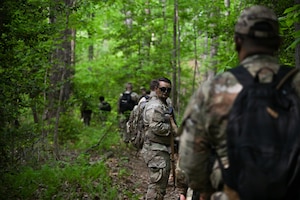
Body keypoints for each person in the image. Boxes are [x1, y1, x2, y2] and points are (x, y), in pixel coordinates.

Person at [177, 5, 300, 200]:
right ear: (278, 43)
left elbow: (190, 160)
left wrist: (206, 190)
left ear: (237, 42)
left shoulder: (214, 90)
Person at [141, 77, 179, 200]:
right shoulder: (154, 106)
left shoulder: (165, 103)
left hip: (162, 149)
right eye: (163, 89)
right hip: (155, 149)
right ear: (156, 89)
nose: (165, 92)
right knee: (157, 186)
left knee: (161, 185)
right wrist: (172, 129)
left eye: (168, 90)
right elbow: (155, 127)